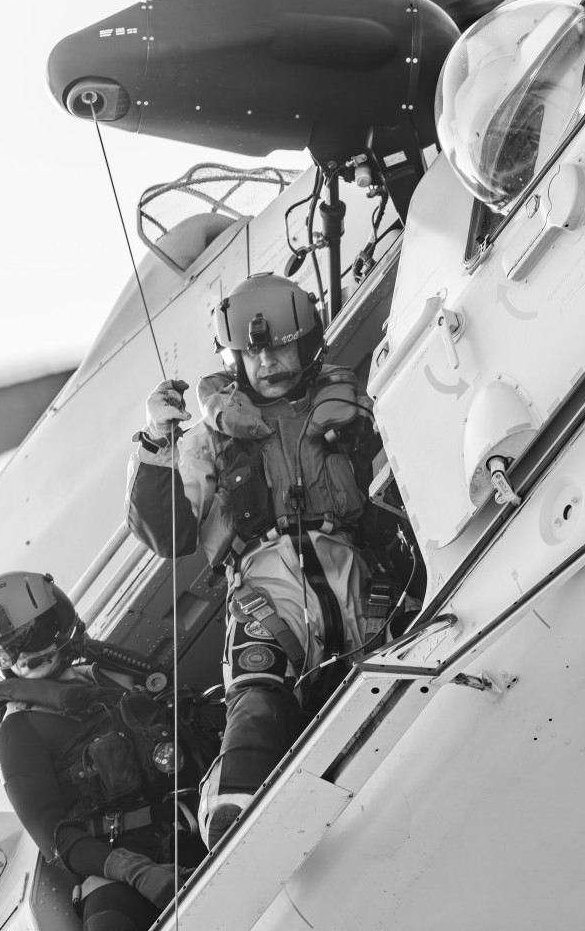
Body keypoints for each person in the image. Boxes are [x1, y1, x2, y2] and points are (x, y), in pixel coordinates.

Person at [125, 273, 412, 848]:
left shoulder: (354, 409)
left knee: (394, 673)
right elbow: (167, 534)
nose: (270, 362)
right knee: (259, 694)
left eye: (281, 346)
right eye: (255, 352)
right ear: (235, 359)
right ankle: (233, 806)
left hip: (354, 573)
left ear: (307, 345)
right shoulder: (207, 438)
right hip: (266, 584)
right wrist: (157, 441)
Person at [0, 570, 209, 931]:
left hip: (198, 813)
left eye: (30, 638)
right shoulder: (18, 731)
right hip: (120, 865)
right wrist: (135, 871)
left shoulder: (107, 677)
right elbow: (55, 839)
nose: (19, 657)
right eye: (3, 650)